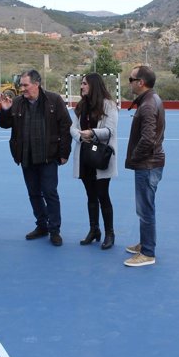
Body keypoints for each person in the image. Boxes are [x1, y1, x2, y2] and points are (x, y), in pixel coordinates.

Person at [0, 69, 72, 246]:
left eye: (25, 85)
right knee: (34, 194)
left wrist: (64, 153)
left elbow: (65, 126)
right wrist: (5, 110)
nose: (22, 88)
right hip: (26, 157)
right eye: (21, 85)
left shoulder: (54, 100)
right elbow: (4, 124)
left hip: (49, 157)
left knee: (50, 193)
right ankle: (42, 225)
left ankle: (54, 230)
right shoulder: (16, 103)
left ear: (37, 84)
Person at [70, 73, 118, 250]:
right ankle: (94, 230)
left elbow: (110, 130)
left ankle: (110, 233)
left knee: (102, 195)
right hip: (85, 156)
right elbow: (73, 128)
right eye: (81, 84)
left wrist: (92, 133)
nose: (81, 87)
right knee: (90, 195)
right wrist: (80, 136)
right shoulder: (81, 106)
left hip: (100, 158)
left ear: (94, 86)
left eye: (84, 84)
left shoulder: (109, 105)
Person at [124, 65, 165, 267]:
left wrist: (135, 156)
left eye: (131, 79)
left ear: (140, 82)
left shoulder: (148, 105)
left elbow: (148, 138)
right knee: (145, 207)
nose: (129, 82)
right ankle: (144, 243)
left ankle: (147, 252)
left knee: (145, 208)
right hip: (151, 163)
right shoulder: (151, 99)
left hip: (147, 165)